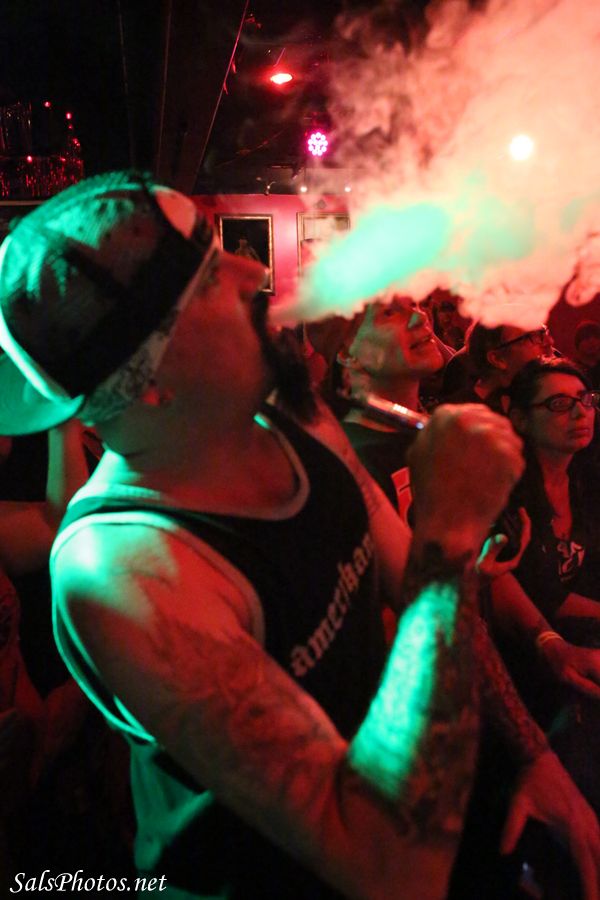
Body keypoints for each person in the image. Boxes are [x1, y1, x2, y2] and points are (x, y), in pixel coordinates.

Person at [0, 170, 547, 900]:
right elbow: (388, 871)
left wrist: (533, 754)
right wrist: (448, 535)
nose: (253, 271)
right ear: (147, 380)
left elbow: (405, 581)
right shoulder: (126, 568)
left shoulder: (290, 413)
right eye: (207, 278)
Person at [332, 296, 600, 897]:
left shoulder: (435, 432)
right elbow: (388, 612)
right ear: (348, 357)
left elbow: (487, 571)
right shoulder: (349, 460)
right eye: (389, 314)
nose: (419, 318)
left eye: (416, 307)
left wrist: (545, 639)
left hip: (486, 693)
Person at [441, 320, 554, 408]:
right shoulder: (465, 420)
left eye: (544, 332)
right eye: (533, 336)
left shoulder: (536, 394)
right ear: (497, 359)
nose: (549, 342)